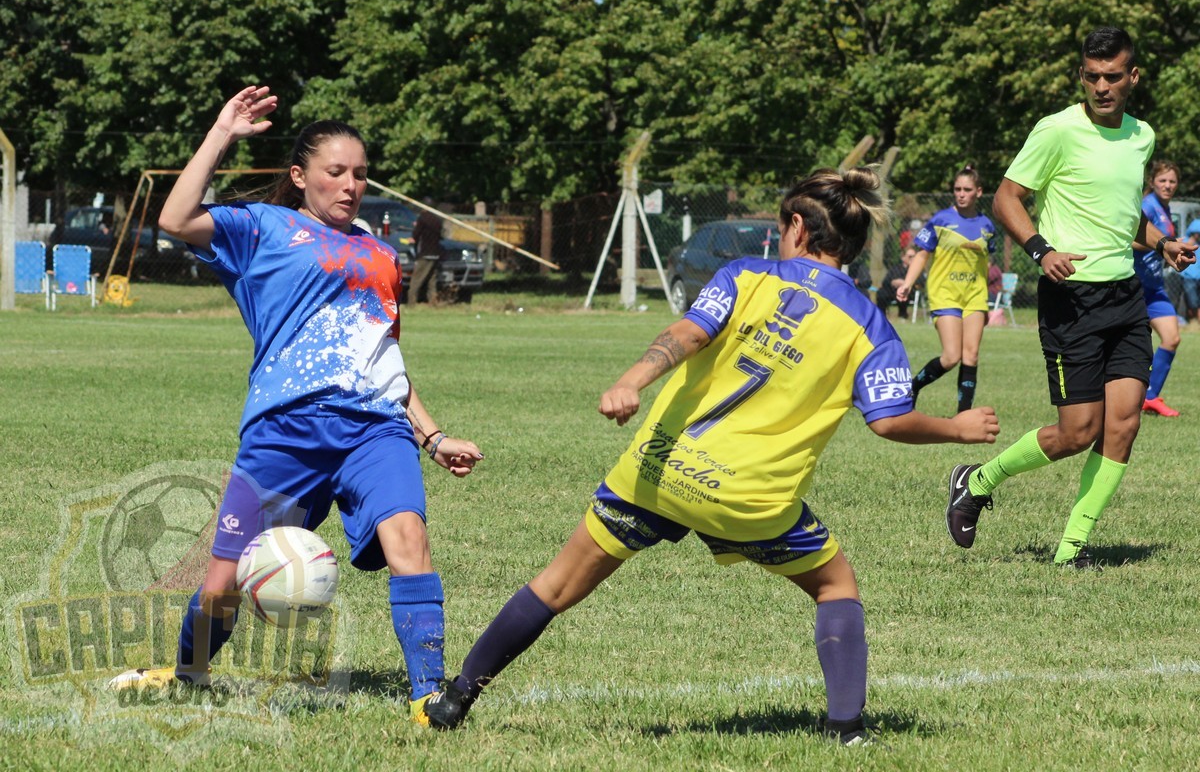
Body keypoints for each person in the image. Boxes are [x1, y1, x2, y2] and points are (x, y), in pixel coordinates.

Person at [418, 168, 1000, 741]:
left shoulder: (745, 275)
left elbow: (688, 333)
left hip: (659, 470)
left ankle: (455, 699)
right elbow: (889, 420)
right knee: (835, 586)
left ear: (798, 227)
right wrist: (956, 428)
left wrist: (630, 381)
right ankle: (846, 730)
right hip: (748, 499)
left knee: (555, 586)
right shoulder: (871, 326)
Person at [108, 85, 484, 724]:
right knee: (222, 584)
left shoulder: (380, 253)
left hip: (374, 430)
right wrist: (223, 133)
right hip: (284, 432)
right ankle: (188, 672)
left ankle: (427, 696)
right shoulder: (261, 228)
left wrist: (431, 436)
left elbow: (382, 358)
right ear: (300, 176)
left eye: (360, 173)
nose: (351, 185)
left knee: (408, 538)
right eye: (335, 172)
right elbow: (174, 219)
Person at [944, 28, 1194, 567]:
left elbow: (1122, 216)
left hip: (1125, 297)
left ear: (1132, 77)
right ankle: (977, 481)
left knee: (1124, 425)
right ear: (1081, 76)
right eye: (1092, 76)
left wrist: (1163, 243)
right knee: (1078, 432)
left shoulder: (1142, 137)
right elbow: (1007, 198)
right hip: (1070, 298)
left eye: (1112, 76)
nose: (1102, 86)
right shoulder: (1056, 129)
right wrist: (1040, 250)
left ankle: (1071, 550)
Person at [896, 166, 997, 412]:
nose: (961, 194)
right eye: (957, 189)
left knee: (971, 355)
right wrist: (907, 283)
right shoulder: (940, 220)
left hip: (975, 296)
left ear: (978, 192)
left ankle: (963, 415)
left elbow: (986, 262)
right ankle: (914, 387)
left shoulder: (987, 226)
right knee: (951, 357)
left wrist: (986, 297)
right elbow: (922, 255)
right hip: (945, 293)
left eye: (967, 189)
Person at [1138, 161, 1184, 416]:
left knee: (1172, 338)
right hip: (1134, 286)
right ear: (1152, 182)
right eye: (1162, 180)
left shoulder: (1165, 208)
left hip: (1154, 288)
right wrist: (1166, 243)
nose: (1167, 185)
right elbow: (1129, 239)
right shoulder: (1147, 206)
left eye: (1172, 181)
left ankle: (1150, 397)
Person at [407, 209, 444, 305]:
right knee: (431, 279)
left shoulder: (422, 218)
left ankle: (411, 302)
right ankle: (433, 301)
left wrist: (412, 238)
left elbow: (416, 234)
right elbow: (440, 235)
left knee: (416, 279)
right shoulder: (437, 219)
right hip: (435, 253)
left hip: (425, 253)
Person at [876, 246, 918, 320]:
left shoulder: (917, 269)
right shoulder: (895, 268)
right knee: (881, 293)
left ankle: (903, 315)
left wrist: (906, 283)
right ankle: (881, 316)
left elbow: (921, 283)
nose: (912, 259)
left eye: (914, 257)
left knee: (903, 292)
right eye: (910, 256)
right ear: (903, 257)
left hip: (909, 291)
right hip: (892, 291)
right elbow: (885, 281)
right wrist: (893, 282)